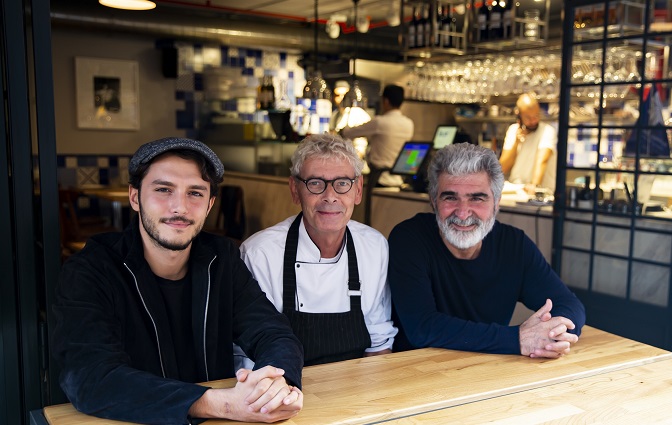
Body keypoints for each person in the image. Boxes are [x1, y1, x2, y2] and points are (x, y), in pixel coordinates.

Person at [52, 137, 304, 424]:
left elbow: (274, 333)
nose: (179, 207)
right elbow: (90, 378)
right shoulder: (91, 270)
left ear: (210, 204)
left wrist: (277, 385)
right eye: (163, 190)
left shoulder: (221, 259)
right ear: (135, 197)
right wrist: (220, 404)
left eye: (195, 193)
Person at [388, 142, 585, 358]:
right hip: (418, 372)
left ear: (497, 203)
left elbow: (568, 304)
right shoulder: (409, 239)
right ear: (434, 202)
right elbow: (422, 327)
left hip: (489, 371)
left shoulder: (513, 244)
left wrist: (553, 335)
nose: (463, 213)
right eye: (450, 197)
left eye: (477, 198)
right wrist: (517, 339)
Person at [235, 133, 398, 367]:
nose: (330, 197)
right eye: (315, 184)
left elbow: (379, 343)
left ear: (358, 190)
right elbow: (247, 356)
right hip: (283, 393)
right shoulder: (260, 253)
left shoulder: (374, 247)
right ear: (294, 189)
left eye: (342, 183)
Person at [340, 84, 414, 225]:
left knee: (372, 224)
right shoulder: (409, 124)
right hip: (398, 181)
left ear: (385, 101)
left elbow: (348, 133)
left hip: (379, 181)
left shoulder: (380, 122)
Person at [498, 92, 557, 193]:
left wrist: (534, 185)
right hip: (516, 189)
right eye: (528, 118)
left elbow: (542, 160)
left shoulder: (547, 131)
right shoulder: (513, 130)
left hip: (540, 192)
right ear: (519, 116)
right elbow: (503, 167)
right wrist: (516, 142)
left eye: (536, 116)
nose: (533, 121)